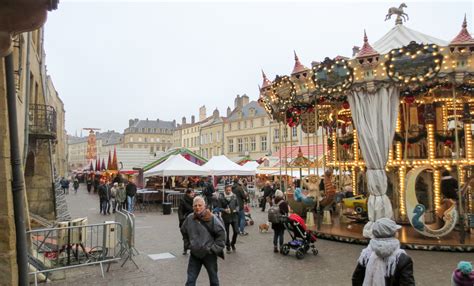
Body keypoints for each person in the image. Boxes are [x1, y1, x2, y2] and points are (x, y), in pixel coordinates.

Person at [352, 218, 415, 286]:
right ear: (393, 234)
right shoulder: (402, 258)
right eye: (396, 231)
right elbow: (407, 283)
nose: (397, 232)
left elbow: (356, 279)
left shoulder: (366, 255)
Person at [181, 196, 226, 286]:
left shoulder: (212, 218)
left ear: (204, 206)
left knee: (213, 280)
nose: (197, 207)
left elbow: (221, 234)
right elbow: (183, 230)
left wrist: (213, 249)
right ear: (192, 206)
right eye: (195, 205)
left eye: (200, 205)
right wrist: (188, 245)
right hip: (195, 254)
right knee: (190, 280)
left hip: (209, 254)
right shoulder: (190, 218)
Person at [217, 185, 239, 253]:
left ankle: (233, 243)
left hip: (234, 216)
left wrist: (236, 210)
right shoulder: (221, 197)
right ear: (225, 190)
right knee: (227, 232)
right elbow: (218, 207)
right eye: (227, 190)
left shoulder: (234, 196)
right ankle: (228, 246)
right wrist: (224, 210)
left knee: (236, 231)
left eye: (230, 190)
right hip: (226, 217)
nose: (228, 191)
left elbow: (238, 205)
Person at [178, 189, 195, 255]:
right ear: (188, 194)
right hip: (185, 220)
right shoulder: (183, 200)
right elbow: (180, 211)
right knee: (185, 235)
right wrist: (181, 219)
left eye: (193, 192)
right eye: (191, 193)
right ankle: (185, 248)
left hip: (193, 220)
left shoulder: (195, 200)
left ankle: (192, 248)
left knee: (192, 235)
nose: (193, 194)